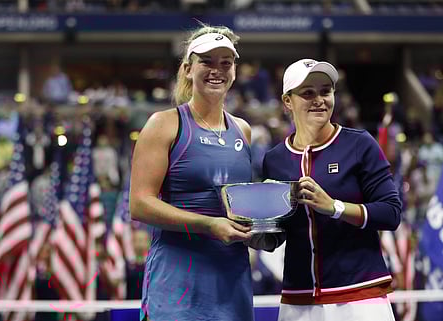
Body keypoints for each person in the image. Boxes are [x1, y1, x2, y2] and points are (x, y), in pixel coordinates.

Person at [260, 58, 402, 321]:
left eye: (326, 91)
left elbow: (391, 213)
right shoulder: (275, 159)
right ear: (287, 101)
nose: (319, 100)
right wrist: (261, 235)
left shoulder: (359, 144)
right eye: (308, 93)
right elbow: (283, 229)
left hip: (360, 297)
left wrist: (334, 207)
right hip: (298, 299)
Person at [130, 23, 254, 321]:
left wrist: (261, 230)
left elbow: (241, 206)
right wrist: (209, 225)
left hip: (231, 283)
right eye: (206, 62)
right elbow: (139, 204)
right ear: (188, 69)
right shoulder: (164, 123)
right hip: (177, 287)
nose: (217, 70)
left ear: (235, 72)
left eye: (226, 63)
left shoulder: (243, 130)